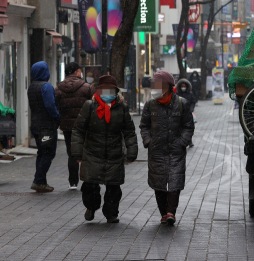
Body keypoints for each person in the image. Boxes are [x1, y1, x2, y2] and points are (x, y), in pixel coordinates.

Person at [71, 75, 138, 223]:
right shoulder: (90, 106)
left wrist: (132, 151)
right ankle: (91, 207)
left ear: (116, 91)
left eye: (111, 90)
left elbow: (129, 132)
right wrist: (77, 151)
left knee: (114, 188)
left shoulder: (122, 108)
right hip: (92, 153)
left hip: (114, 154)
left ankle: (111, 213)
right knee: (90, 186)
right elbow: (78, 130)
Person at [140, 71, 194, 226]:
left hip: (176, 150)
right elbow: (144, 126)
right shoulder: (150, 104)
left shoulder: (182, 103)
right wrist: (148, 141)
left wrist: (182, 142)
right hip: (156, 150)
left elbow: (188, 127)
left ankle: (171, 212)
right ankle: (163, 213)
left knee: (175, 181)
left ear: (168, 87)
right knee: (159, 183)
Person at [55, 62, 94, 190]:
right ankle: (88, 179)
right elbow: (93, 106)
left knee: (71, 153)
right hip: (84, 125)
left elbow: (56, 107)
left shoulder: (58, 89)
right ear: (77, 72)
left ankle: (73, 182)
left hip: (67, 126)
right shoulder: (87, 87)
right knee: (86, 151)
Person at [27, 61, 60, 193]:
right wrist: (57, 117)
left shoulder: (31, 87)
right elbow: (50, 106)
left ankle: (41, 181)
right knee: (48, 153)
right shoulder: (46, 87)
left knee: (41, 152)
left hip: (35, 125)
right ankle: (39, 180)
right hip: (46, 126)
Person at [176, 78, 197, 147]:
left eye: (184, 86)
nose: (183, 87)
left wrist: (191, 109)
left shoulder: (190, 93)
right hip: (179, 113)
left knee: (188, 128)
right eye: (182, 86)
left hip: (188, 113)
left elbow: (193, 102)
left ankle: (189, 141)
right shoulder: (177, 93)